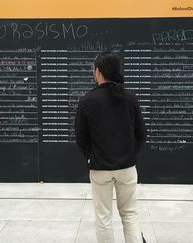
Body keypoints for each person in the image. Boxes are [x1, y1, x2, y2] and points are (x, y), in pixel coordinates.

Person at [75, 51, 147, 243]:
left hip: (100, 168)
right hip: (127, 168)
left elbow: (81, 138)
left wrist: (91, 156)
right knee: (130, 214)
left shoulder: (87, 101)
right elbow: (141, 134)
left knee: (103, 218)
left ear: (98, 72)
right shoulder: (131, 98)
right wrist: (131, 155)